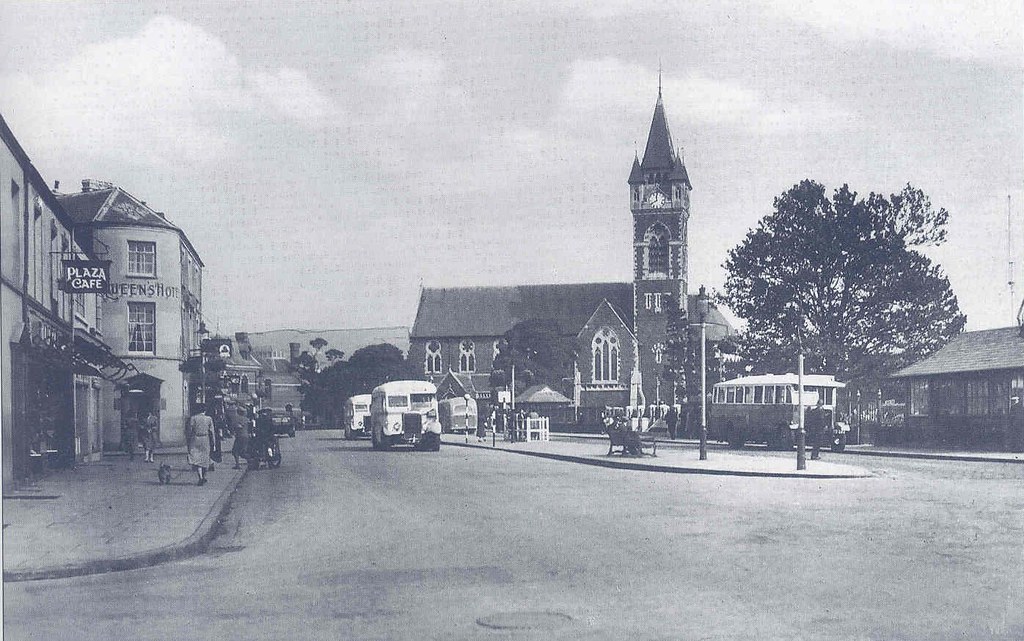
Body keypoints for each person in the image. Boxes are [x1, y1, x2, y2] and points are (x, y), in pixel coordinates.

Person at [186, 404, 214, 485]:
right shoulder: (209, 419)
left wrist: (188, 440)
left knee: (197, 458)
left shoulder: (193, 418)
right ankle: (204, 476)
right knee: (205, 458)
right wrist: (214, 443)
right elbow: (212, 431)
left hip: (195, 439)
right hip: (205, 439)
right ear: (205, 410)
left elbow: (189, 430)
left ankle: (200, 477)